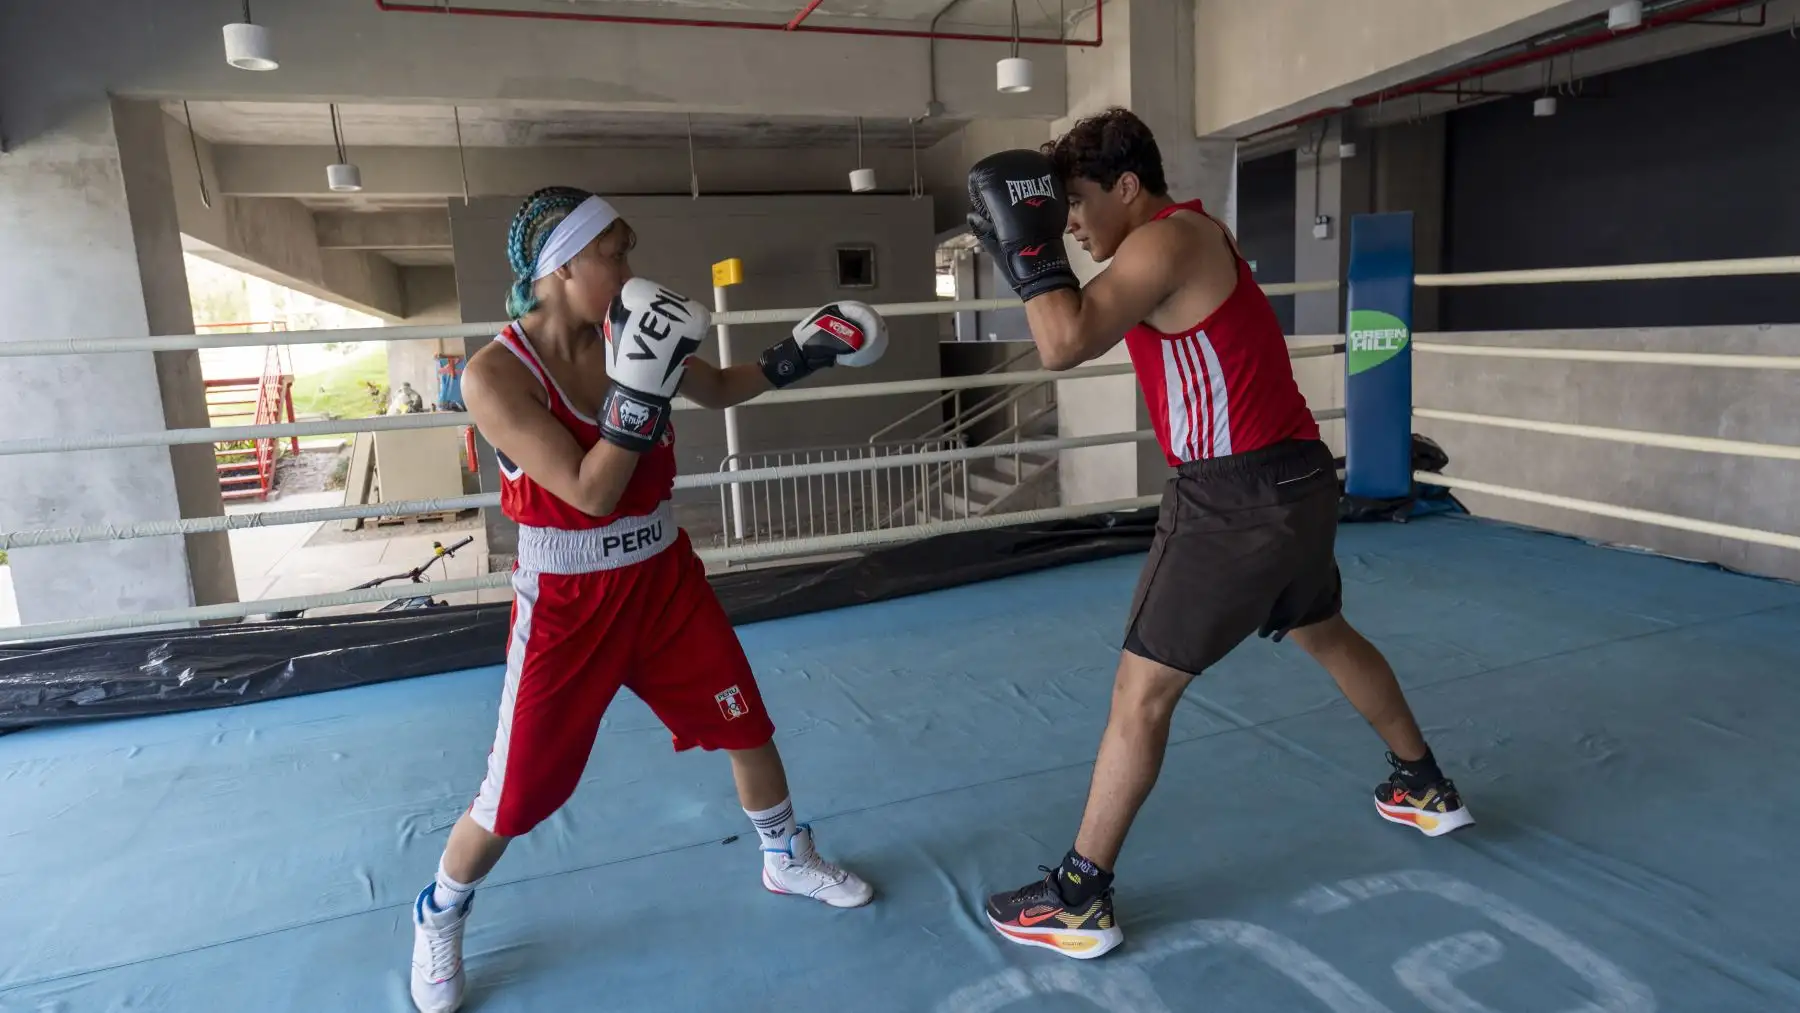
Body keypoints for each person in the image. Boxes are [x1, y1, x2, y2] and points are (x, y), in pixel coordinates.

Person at [966, 109, 1474, 960]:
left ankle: (1080, 897)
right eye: (1060, 212)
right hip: (1297, 479)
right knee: (1325, 630)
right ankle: (1423, 783)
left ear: (1129, 187)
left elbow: (1060, 342)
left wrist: (1023, 247)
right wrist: (1028, 244)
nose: (1074, 225)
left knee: (1141, 695)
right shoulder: (1193, 235)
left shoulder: (1161, 244)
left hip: (1232, 500)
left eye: (1080, 202)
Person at [408, 187, 887, 1012]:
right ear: (560, 266)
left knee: (746, 720)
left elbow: (724, 386)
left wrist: (803, 349)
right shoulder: (493, 376)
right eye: (613, 253)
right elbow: (591, 492)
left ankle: (784, 854)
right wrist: (636, 396)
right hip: (568, 600)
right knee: (516, 795)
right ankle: (439, 912)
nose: (629, 269)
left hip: (663, 577)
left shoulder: (631, 326)